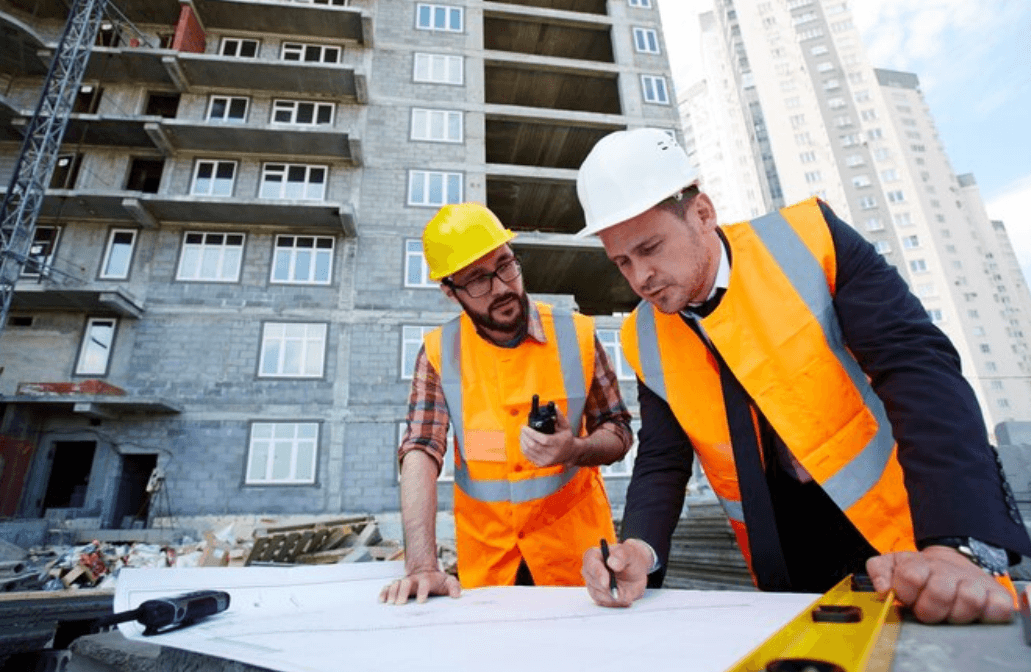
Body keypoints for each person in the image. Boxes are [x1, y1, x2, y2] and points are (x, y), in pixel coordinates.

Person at [575, 127, 1031, 624]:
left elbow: (917, 369)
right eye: (622, 261)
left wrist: (956, 541)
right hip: (783, 562)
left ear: (702, 214)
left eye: (651, 248)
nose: (640, 277)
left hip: (906, 538)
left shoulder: (810, 241)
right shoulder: (645, 334)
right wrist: (640, 549)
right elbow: (663, 459)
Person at [380, 202, 633, 605]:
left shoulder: (578, 335)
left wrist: (577, 449)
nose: (501, 287)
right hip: (490, 573)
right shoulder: (438, 353)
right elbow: (420, 451)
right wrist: (422, 565)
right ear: (450, 290)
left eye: (505, 265)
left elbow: (618, 430)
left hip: (580, 569)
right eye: (478, 280)